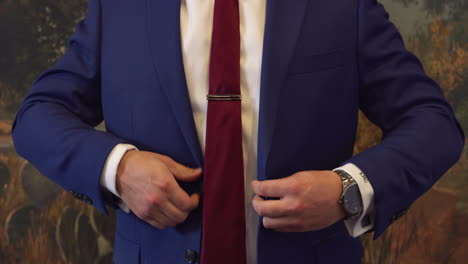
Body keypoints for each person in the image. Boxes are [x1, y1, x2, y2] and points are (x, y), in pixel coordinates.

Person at [11, 0, 465, 263]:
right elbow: (37, 116)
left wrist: (350, 190)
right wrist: (118, 168)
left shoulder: (342, 6)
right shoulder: (121, 8)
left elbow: (433, 123)